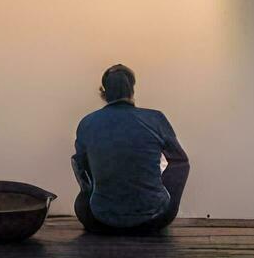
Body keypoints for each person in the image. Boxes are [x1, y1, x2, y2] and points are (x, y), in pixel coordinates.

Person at [71, 64, 189, 235]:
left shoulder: (87, 123)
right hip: (154, 219)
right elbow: (180, 162)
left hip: (101, 220)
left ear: (103, 92)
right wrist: (165, 191)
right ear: (132, 89)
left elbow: (81, 168)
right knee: (168, 186)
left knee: (82, 201)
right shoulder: (155, 119)